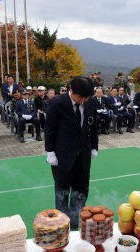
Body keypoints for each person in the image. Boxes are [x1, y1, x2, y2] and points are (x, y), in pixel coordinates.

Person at [45, 76, 98, 228]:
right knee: (62, 193)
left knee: (81, 192)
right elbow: (49, 130)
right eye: (81, 97)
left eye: (87, 97)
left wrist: (94, 147)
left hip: (83, 157)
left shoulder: (91, 102)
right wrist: (50, 152)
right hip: (62, 157)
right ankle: (62, 224)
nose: (83, 100)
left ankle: (76, 222)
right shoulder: (56, 103)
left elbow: (93, 127)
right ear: (71, 90)